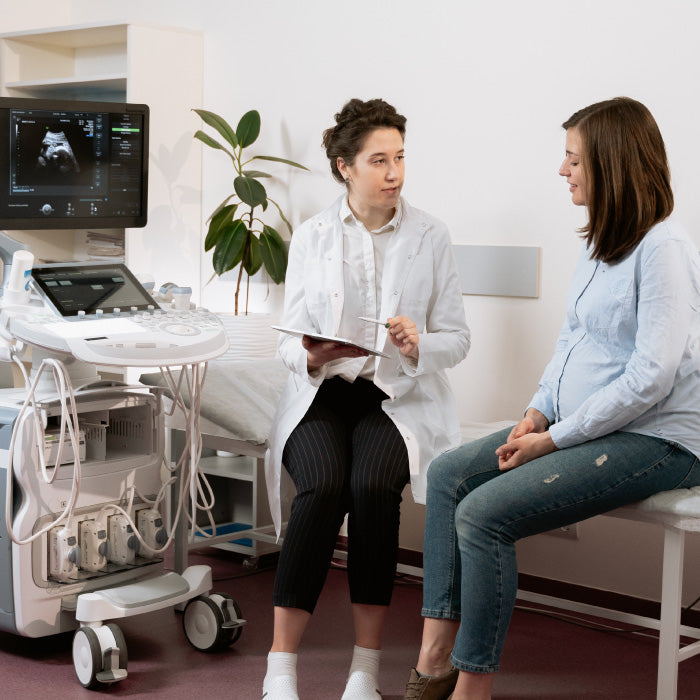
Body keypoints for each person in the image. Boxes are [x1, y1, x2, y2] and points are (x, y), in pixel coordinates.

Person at [404, 96, 700, 700]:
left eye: (572, 159)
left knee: (483, 514)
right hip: (579, 424)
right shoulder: (603, 244)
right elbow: (572, 340)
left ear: (611, 165)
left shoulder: (663, 250)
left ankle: (472, 688)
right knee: (448, 474)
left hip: (658, 439)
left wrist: (555, 438)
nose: (561, 170)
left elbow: (651, 377)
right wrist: (537, 410)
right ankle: (434, 662)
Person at [262, 98, 470, 700]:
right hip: (322, 393)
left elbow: (457, 340)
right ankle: (280, 668)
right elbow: (286, 342)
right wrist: (311, 355)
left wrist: (417, 343)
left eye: (400, 158)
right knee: (324, 487)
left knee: (373, 488)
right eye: (378, 160)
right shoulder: (313, 235)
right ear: (344, 166)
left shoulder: (431, 235)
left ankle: (365, 669)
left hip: (395, 395)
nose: (394, 173)